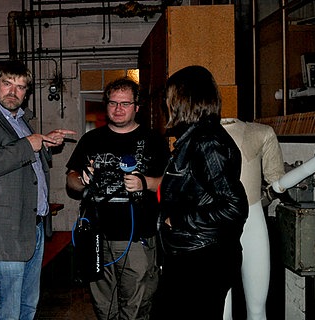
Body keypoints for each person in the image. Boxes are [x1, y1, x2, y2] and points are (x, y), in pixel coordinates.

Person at [0, 60, 76, 320]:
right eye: (8, 84)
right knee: (6, 312)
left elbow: (27, 168)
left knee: (27, 307)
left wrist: (45, 143)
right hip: (3, 234)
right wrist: (28, 144)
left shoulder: (23, 120)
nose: (13, 92)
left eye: (21, 87)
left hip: (30, 227)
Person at [66, 77, 170, 320]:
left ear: (136, 107)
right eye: (113, 103)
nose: (118, 109)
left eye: (125, 103)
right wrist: (81, 180)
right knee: (104, 305)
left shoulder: (153, 140)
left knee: (137, 302)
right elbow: (70, 180)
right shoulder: (91, 139)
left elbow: (171, 183)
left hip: (136, 238)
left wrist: (146, 183)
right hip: (96, 235)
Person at [151, 65, 248, 320]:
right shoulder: (195, 139)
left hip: (201, 259)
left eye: (170, 98)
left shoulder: (206, 142)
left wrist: (180, 220)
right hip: (194, 255)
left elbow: (234, 207)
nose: (166, 105)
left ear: (184, 101)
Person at [221, 119, 285, 320]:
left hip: (251, 220)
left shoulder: (260, 133)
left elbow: (278, 182)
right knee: (221, 308)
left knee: (257, 309)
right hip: (217, 224)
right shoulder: (198, 134)